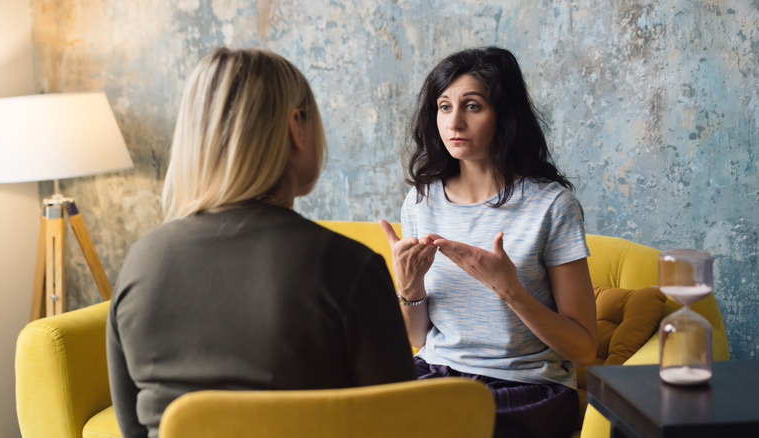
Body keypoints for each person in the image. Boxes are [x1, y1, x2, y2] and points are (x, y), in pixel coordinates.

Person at [107, 47, 416, 438]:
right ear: (296, 128)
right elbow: (402, 425)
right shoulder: (348, 266)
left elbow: (132, 428)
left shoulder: (141, 260)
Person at [379, 47, 597, 438]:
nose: (454, 122)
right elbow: (416, 337)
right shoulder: (420, 202)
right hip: (438, 374)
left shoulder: (551, 205)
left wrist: (509, 290)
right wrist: (409, 286)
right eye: (444, 107)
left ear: (505, 116)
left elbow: (583, 349)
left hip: (528, 388)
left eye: (472, 106)